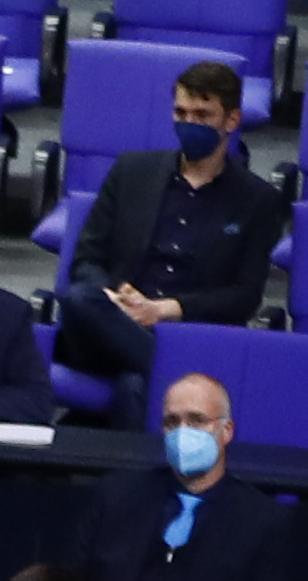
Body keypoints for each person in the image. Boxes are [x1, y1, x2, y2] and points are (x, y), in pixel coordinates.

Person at [52, 58, 284, 386]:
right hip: (113, 322)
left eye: (202, 116)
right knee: (78, 297)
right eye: (181, 113)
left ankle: (159, 372)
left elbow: (243, 295)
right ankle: (176, 376)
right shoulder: (132, 171)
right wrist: (119, 298)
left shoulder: (257, 200)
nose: (189, 123)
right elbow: (87, 258)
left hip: (186, 333)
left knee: (136, 384)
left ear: (232, 120)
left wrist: (163, 310)